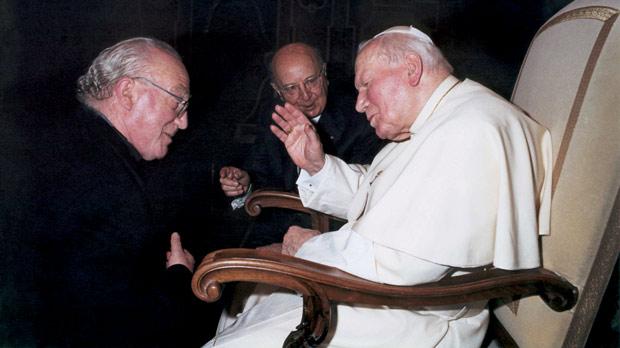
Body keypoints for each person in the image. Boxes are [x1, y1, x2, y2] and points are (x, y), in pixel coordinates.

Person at [204, 25, 552, 347]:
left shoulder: (470, 129)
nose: (359, 102)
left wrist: (306, 247)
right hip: (383, 293)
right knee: (246, 305)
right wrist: (317, 165)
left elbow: (404, 264)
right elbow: (376, 191)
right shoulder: (446, 118)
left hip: (414, 315)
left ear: (411, 69)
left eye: (366, 85)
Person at [25, 37, 206, 347]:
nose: (184, 122)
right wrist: (179, 276)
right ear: (127, 93)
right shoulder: (108, 184)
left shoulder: (65, 139)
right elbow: (123, 329)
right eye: (178, 102)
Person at [219, 42, 384, 247]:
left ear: (324, 74)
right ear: (277, 90)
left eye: (311, 81)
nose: (305, 96)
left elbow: (366, 200)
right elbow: (261, 174)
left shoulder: (361, 119)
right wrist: (245, 184)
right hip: (273, 233)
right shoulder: (274, 116)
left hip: (331, 240)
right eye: (291, 88)